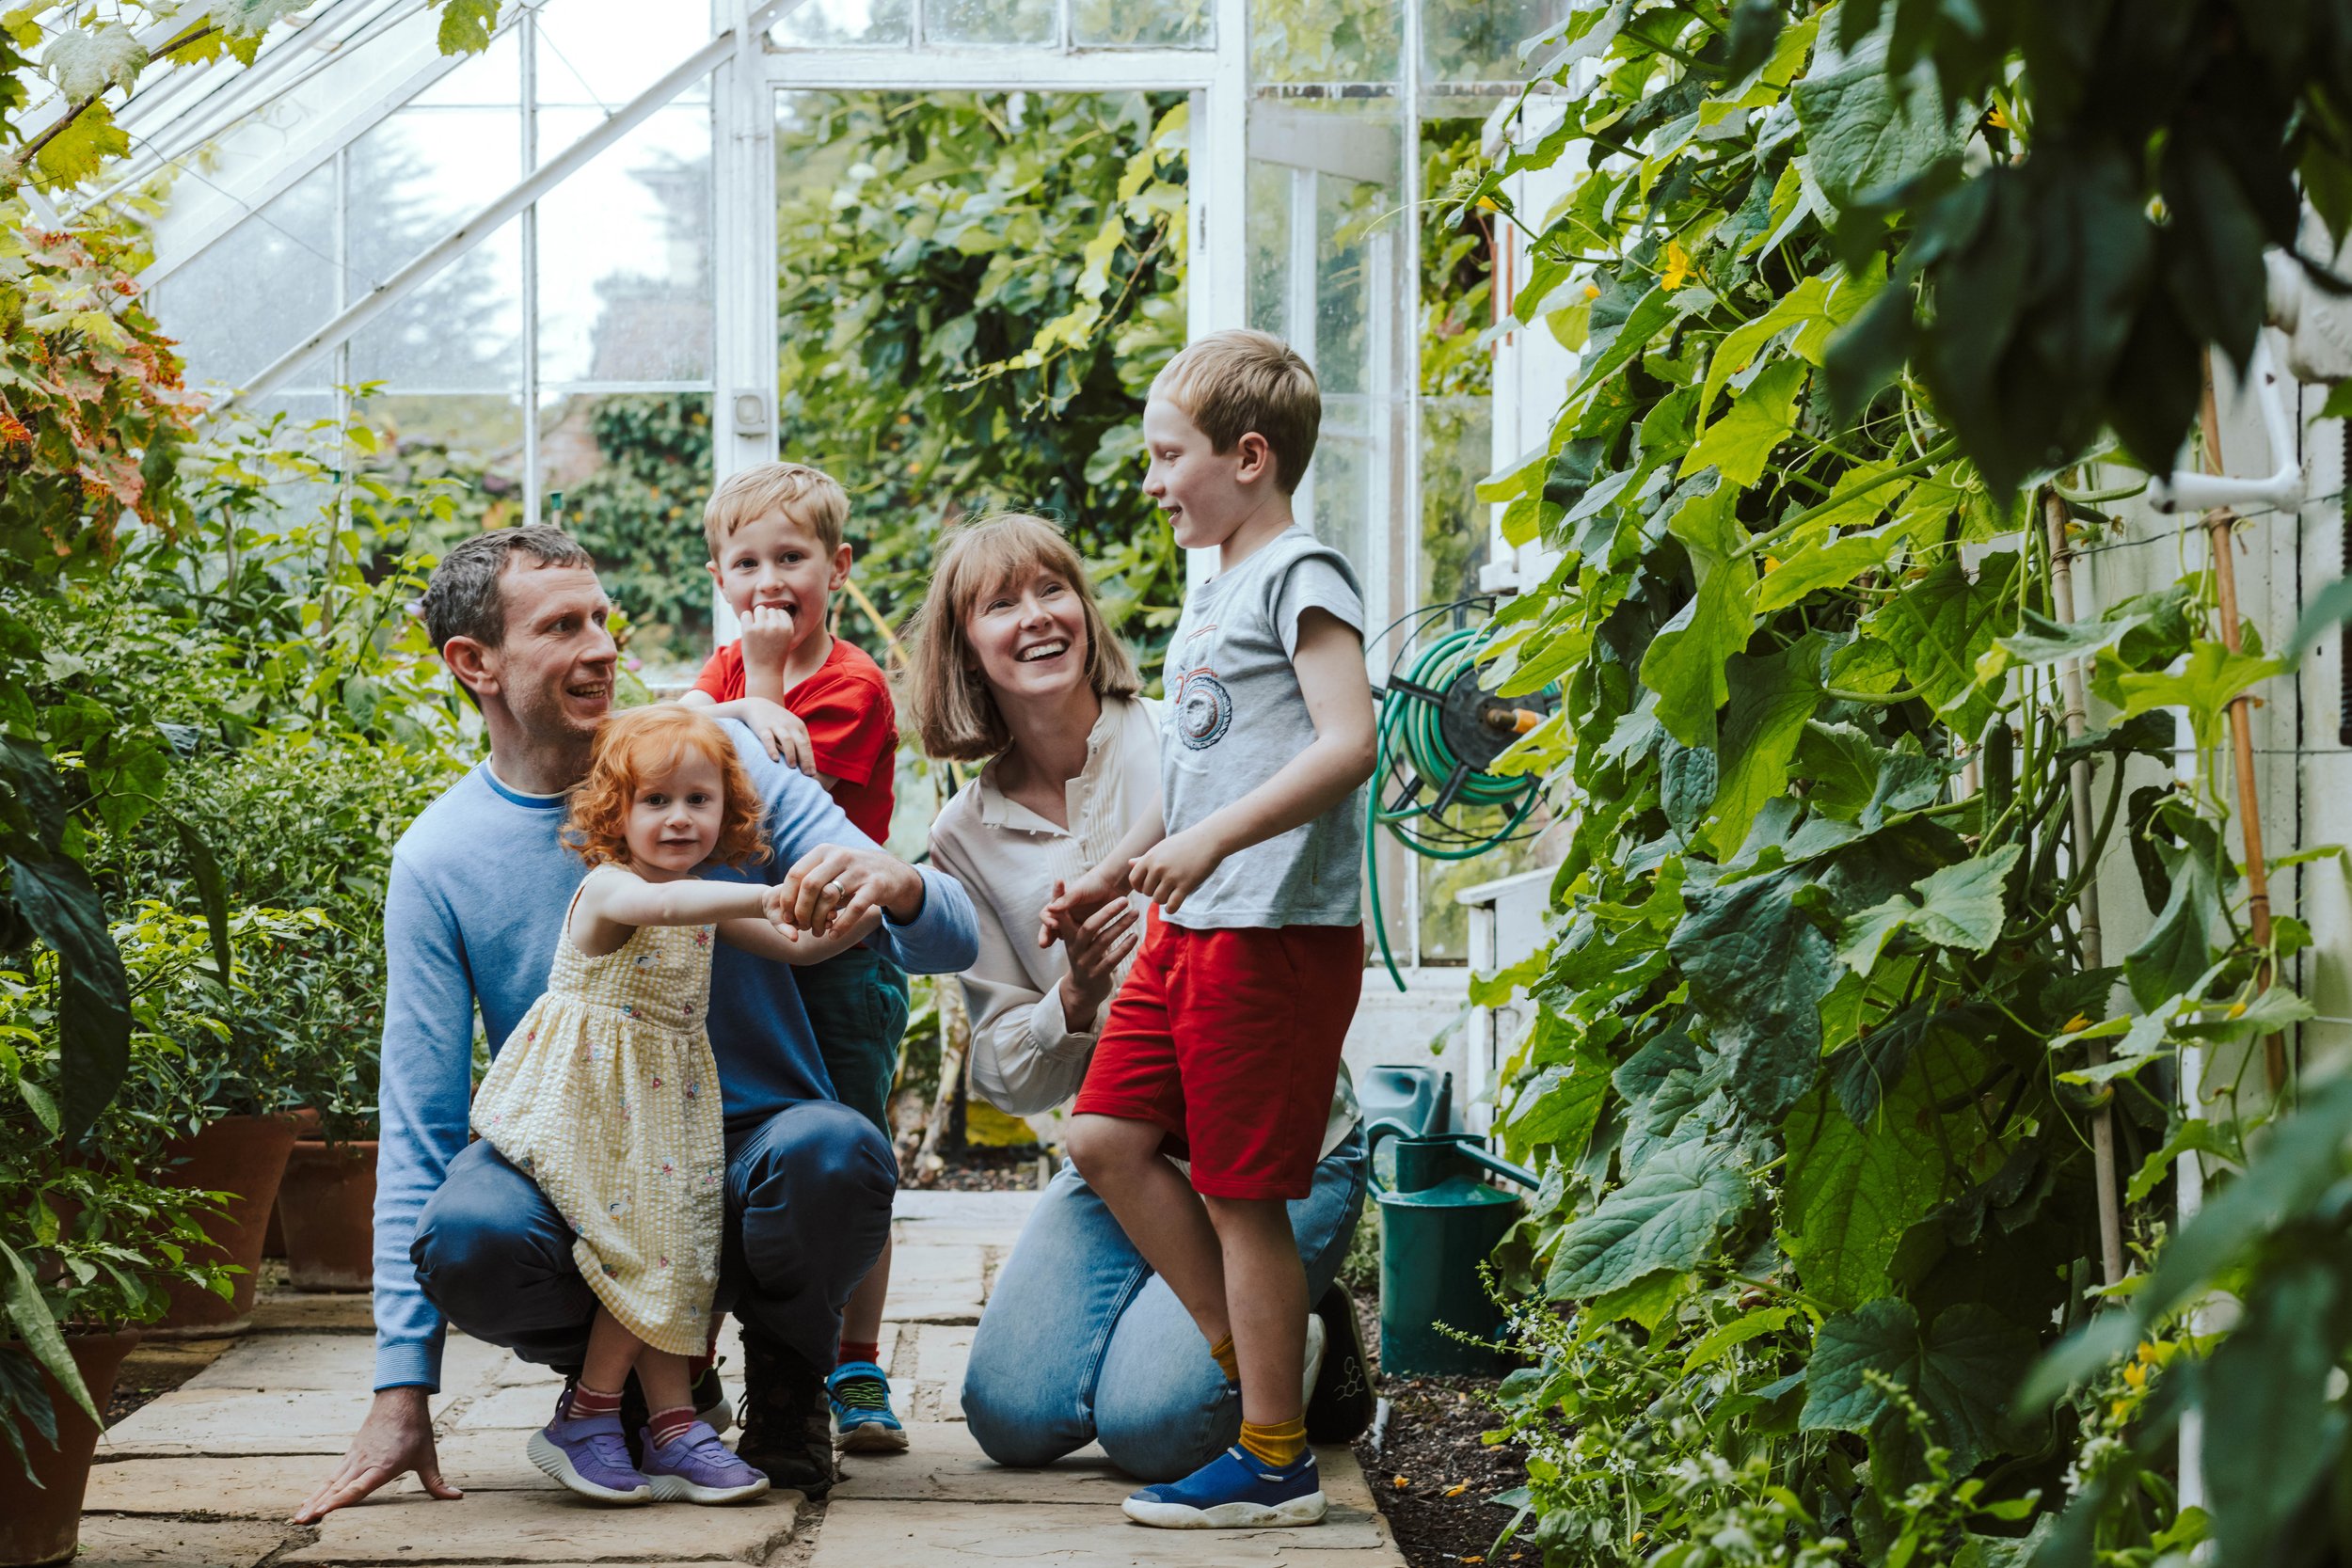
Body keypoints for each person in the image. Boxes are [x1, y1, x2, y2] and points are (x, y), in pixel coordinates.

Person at [291, 526, 977, 1526]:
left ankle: (787, 1370)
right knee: (470, 1233)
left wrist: (899, 882)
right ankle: (655, 1385)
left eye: (603, 618)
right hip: (582, 1154)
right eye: (563, 625)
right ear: (473, 663)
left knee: (837, 1150)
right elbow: (420, 1123)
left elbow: (945, 936)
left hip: (745, 1144)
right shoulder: (440, 856)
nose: (603, 645)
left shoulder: (716, 768)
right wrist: (403, 1390)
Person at [912, 512, 1373, 1496]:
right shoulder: (961, 835)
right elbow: (1003, 1070)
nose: (1038, 617)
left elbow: (1299, 865)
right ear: (963, 649)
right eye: (1001, 603)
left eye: (1053, 590)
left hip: (1271, 1151)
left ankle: (1302, 1340)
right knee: (1013, 1416)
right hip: (1127, 1162)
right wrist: (1070, 996)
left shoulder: (1182, 734)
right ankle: (1252, 1339)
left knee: (1154, 1428)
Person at [1041, 330, 1377, 1528]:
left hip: (1271, 932)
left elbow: (1349, 742)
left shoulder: (1302, 570)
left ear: (1247, 456)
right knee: (1104, 1135)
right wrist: (1124, 879)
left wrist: (1213, 844)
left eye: (1164, 455)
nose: (1149, 481)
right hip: (1190, 925)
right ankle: (1261, 1375)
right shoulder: (1217, 585)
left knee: (1241, 1192)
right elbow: (1212, 779)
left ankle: (1274, 1459)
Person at [476, 705, 871, 1506]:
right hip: (589, 1099)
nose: (679, 816)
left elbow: (791, 946)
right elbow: (663, 910)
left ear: (728, 808)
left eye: (699, 799)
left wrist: (842, 928)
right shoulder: (613, 886)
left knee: (678, 1245)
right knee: (640, 1246)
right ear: (615, 814)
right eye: (655, 801)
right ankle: (586, 1414)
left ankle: (672, 1423)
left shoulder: (709, 894)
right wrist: (762, 896)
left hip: (660, 1100)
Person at [676, 462, 911, 1453]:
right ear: (719, 578)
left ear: (837, 566)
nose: (769, 580)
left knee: (851, 1153)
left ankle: (854, 1361)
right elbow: (667, 732)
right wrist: (736, 694)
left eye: (792, 558)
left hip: (843, 963)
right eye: (746, 562)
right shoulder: (726, 675)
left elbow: (771, 807)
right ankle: (704, 1358)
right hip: (758, 964)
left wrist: (759, 687)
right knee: (735, 1152)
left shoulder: (850, 685)